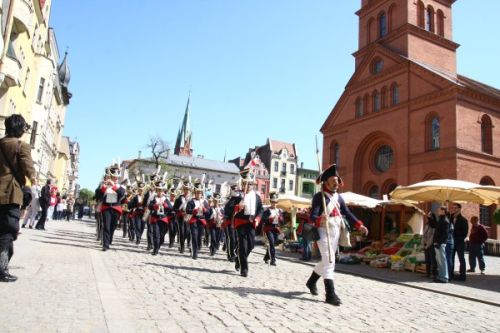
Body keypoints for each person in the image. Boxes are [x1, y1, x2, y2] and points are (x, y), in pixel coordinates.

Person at [306, 164, 368, 306]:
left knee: (327, 260)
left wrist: (359, 224)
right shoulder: (319, 197)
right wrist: (320, 219)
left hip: (335, 231)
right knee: (329, 261)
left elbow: (347, 213)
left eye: (337, 181)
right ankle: (330, 294)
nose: (336, 184)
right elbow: (312, 217)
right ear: (326, 182)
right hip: (323, 231)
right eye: (333, 181)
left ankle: (311, 281)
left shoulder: (339, 198)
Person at [0, 114, 36, 282]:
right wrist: (33, 180)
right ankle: (1, 269)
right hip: (10, 193)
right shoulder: (21, 146)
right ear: (20, 129)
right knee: (8, 230)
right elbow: (28, 167)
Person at [233, 168, 264, 277]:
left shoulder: (257, 197)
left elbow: (261, 209)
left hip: (251, 223)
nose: (249, 185)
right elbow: (230, 209)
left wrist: (258, 218)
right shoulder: (238, 196)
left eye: (251, 184)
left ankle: (239, 259)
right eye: (247, 183)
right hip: (241, 222)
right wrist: (238, 207)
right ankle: (244, 269)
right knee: (242, 246)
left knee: (250, 246)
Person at [99, 165, 125, 251]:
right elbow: (99, 195)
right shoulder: (105, 185)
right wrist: (104, 186)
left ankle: (109, 239)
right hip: (106, 208)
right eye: (114, 176)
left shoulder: (121, 186)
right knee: (106, 226)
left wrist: (114, 186)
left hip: (116, 208)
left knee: (112, 227)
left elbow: (121, 194)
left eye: (117, 177)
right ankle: (105, 245)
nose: (115, 178)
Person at [185, 184, 209, 259]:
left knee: (199, 237)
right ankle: (194, 253)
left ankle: (196, 248)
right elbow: (187, 210)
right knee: (194, 236)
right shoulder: (191, 201)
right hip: (194, 220)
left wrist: (204, 209)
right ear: (195, 193)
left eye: (200, 193)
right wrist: (194, 210)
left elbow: (208, 212)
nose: (199, 194)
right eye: (197, 193)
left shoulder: (204, 202)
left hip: (201, 220)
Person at [429, 206, 450, 283]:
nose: (437, 211)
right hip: (437, 243)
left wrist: (439, 243)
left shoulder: (445, 221)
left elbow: (445, 234)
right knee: (439, 261)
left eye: (439, 210)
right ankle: (441, 276)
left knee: (442, 261)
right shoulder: (441, 219)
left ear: (443, 211)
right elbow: (434, 225)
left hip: (440, 244)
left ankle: (444, 277)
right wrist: (431, 218)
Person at [262, 192, 283, 266]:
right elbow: (263, 220)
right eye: (273, 202)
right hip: (269, 228)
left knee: (273, 244)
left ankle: (266, 257)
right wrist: (271, 219)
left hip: (276, 229)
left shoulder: (279, 211)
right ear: (271, 202)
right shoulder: (267, 210)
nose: (275, 204)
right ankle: (273, 260)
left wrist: (280, 218)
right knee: (271, 243)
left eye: (276, 202)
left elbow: (282, 220)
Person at [450, 203, 468, 281]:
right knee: (451, 258)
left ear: (460, 209)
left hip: (459, 242)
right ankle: (451, 273)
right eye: (453, 208)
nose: (454, 209)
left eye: (456, 208)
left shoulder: (463, 220)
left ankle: (462, 276)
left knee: (461, 259)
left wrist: (454, 232)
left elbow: (464, 233)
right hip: (451, 242)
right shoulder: (450, 218)